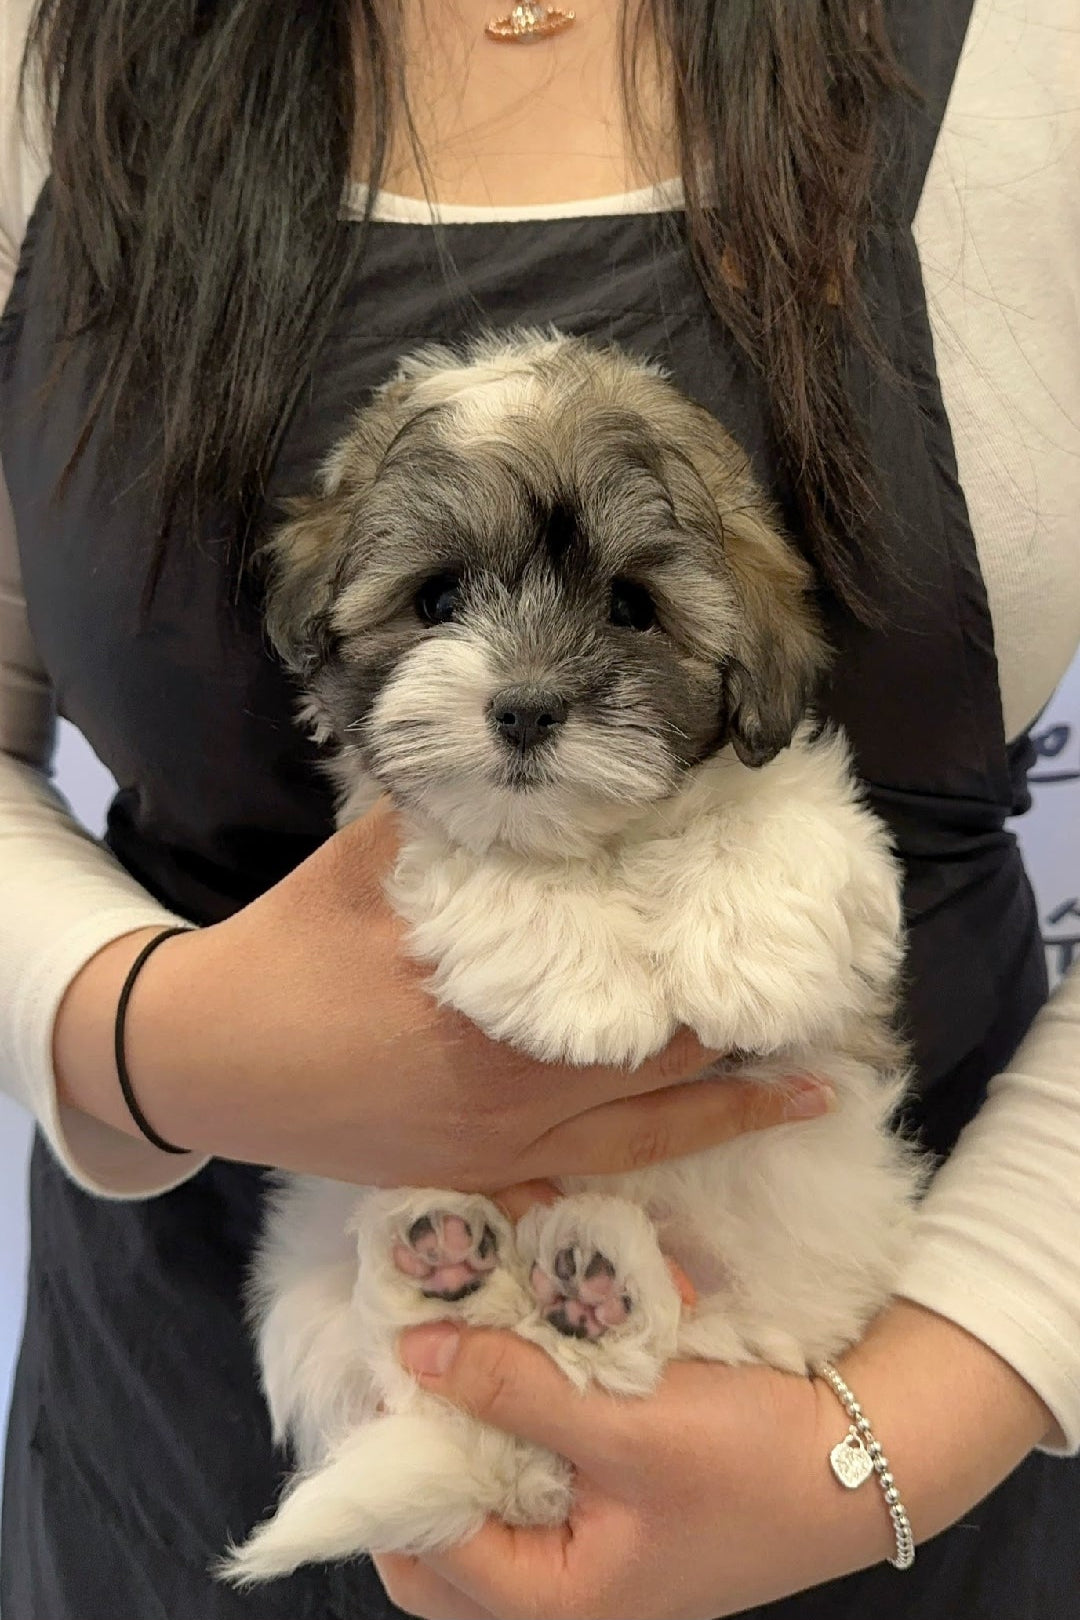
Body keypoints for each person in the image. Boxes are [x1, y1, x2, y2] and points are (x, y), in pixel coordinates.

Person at [0, 0, 1077, 1615]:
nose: (518, 681)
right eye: (438, 598)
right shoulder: (40, 40)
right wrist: (152, 1038)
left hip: (892, 1388)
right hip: (186, 1382)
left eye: (634, 612)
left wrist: (906, 1427)